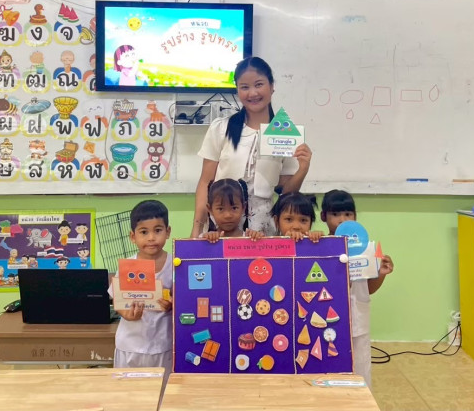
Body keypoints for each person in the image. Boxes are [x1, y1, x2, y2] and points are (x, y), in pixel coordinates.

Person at [192, 57, 312, 237]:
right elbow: (205, 182)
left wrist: (303, 169)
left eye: (259, 84)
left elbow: (286, 194)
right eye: (244, 87)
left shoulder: (285, 133)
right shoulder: (221, 128)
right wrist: (196, 228)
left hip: (263, 231)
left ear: (272, 86)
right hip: (221, 228)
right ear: (237, 90)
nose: (253, 93)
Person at [321, 189, 394, 387]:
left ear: (355, 216)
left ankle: (361, 399)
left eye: (348, 214)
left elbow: (368, 289)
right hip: (327, 320)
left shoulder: (366, 250)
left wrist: (381, 273)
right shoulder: (321, 247)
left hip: (358, 320)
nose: (342, 220)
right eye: (335, 214)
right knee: (329, 366)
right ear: (324, 216)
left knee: (361, 368)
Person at [111, 200, 173, 380]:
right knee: (129, 393)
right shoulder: (127, 266)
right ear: (133, 236)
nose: (151, 238)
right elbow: (118, 300)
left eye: (158, 230)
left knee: (162, 391)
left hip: (163, 345)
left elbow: (183, 300)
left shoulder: (175, 264)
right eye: (144, 232)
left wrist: (172, 304)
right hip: (130, 346)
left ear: (168, 232)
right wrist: (127, 314)